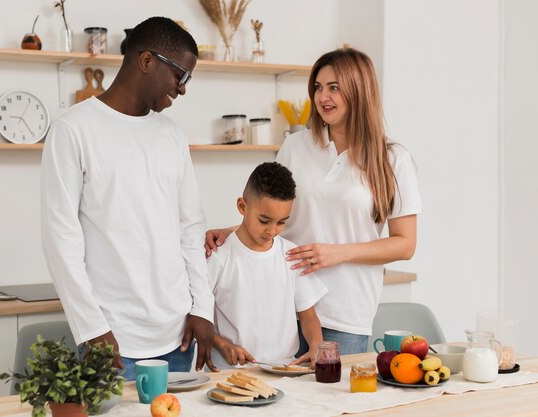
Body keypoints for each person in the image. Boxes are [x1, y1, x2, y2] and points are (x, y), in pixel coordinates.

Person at [205, 47, 421, 355]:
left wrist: (338, 253)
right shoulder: (296, 146)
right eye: (318, 88)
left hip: (345, 311)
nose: (323, 97)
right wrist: (232, 232)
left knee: (332, 400)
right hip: (281, 304)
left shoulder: (393, 159)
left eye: (334, 87)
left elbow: (404, 244)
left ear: (359, 91)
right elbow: (277, 211)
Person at [41, 17, 215, 380]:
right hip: (112, 342)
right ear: (147, 61)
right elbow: (61, 239)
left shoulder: (172, 136)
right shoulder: (73, 130)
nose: (183, 89)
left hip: (178, 338)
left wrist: (203, 307)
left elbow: (190, 230)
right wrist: (90, 327)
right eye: (180, 75)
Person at [207, 162, 326, 370]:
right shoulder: (219, 256)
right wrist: (223, 345)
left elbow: (308, 317)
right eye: (264, 220)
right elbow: (197, 318)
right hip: (228, 373)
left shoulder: (291, 256)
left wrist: (316, 345)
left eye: (281, 222)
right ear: (242, 207)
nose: (272, 230)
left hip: (282, 370)